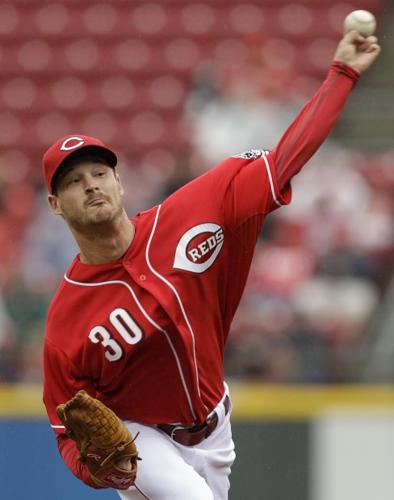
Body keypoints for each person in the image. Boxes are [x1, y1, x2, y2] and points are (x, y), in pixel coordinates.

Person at [42, 31, 380, 500]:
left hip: (216, 430)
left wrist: (342, 73)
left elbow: (284, 161)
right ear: (57, 205)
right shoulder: (66, 323)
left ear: (119, 180)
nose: (91, 185)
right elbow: (64, 431)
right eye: (75, 181)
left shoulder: (192, 210)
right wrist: (105, 470)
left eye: (99, 172)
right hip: (145, 443)